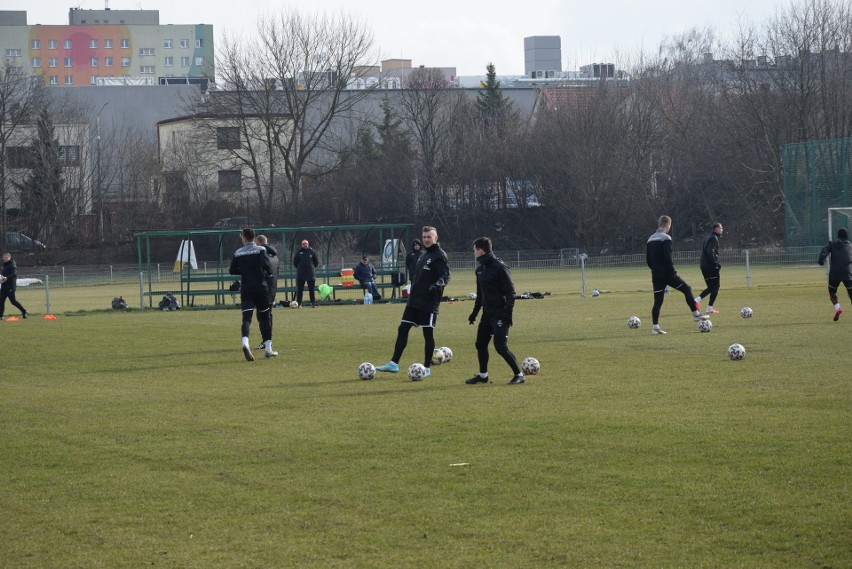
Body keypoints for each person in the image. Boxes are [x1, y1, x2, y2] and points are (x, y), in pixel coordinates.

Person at [376, 226, 450, 377]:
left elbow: (446, 275)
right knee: (403, 329)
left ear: (436, 238)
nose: (426, 240)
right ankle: (394, 364)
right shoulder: (423, 255)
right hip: (414, 300)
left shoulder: (439, 255)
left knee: (427, 333)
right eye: (424, 237)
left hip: (429, 302)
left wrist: (437, 285)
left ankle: (427, 367)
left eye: (429, 237)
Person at [466, 237, 524, 385]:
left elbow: (511, 292)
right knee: (480, 344)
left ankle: (519, 374)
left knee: (500, 347)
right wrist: (474, 313)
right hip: (487, 314)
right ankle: (483, 376)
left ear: (481, 250)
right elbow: (480, 295)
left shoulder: (500, 267)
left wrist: (508, 314)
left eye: (474, 250)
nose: (473, 253)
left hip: (500, 313)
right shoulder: (479, 270)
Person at [646, 215, 703, 335]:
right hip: (667, 273)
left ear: (659, 224)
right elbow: (668, 257)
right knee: (687, 289)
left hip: (656, 275)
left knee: (658, 301)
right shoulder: (666, 238)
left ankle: (655, 328)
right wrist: (671, 272)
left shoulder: (650, 239)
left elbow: (648, 260)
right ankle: (696, 315)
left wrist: (655, 270)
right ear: (668, 225)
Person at [229, 228, 277, 361]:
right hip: (261, 288)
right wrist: (265, 273)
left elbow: (232, 270)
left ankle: (245, 343)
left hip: (246, 289)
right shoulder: (260, 250)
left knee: (246, 319)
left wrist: (244, 270)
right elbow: (267, 267)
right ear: (253, 237)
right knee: (265, 318)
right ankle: (268, 349)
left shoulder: (238, 253)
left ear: (244, 238)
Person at [818, 227, 852, 321]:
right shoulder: (850, 246)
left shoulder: (832, 243)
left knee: (832, 292)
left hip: (835, 273)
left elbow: (825, 250)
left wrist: (821, 260)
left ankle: (838, 308)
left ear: (838, 235)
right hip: (848, 272)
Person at [255, 234, 279, 350]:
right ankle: (267, 340)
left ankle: (266, 341)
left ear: (258, 243)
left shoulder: (261, 254)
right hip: (272, 288)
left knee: (262, 315)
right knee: (268, 315)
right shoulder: (274, 255)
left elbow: (261, 271)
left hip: (264, 288)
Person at [695, 222, 723, 314]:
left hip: (703, 265)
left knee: (711, 287)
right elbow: (710, 251)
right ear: (716, 229)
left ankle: (696, 300)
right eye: (721, 228)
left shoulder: (707, 237)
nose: (722, 230)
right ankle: (709, 308)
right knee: (716, 286)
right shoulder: (714, 238)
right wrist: (716, 264)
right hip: (710, 265)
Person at [0, 252, 28, 320]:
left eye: (6, 257)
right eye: (3, 258)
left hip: (10, 286)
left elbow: (14, 273)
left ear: (9, 257)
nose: (4, 259)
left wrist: (6, 277)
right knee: (1, 301)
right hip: (4, 286)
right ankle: (1, 316)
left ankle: (24, 311)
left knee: (13, 301)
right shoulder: (4, 265)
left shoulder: (12, 264)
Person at [293, 239, 319, 307]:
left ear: (308, 244)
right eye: (304, 244)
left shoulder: (312, 252)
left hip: (310, 274)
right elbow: (295, 263)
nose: (305, 245)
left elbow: (316, 262)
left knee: (311, 290)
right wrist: (300, 268)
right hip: (301, 275)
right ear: (301, 245)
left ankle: (312, 303)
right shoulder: (298, 252)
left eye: (306, 244)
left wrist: (311, 268)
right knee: (300, 290)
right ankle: (299, 303)